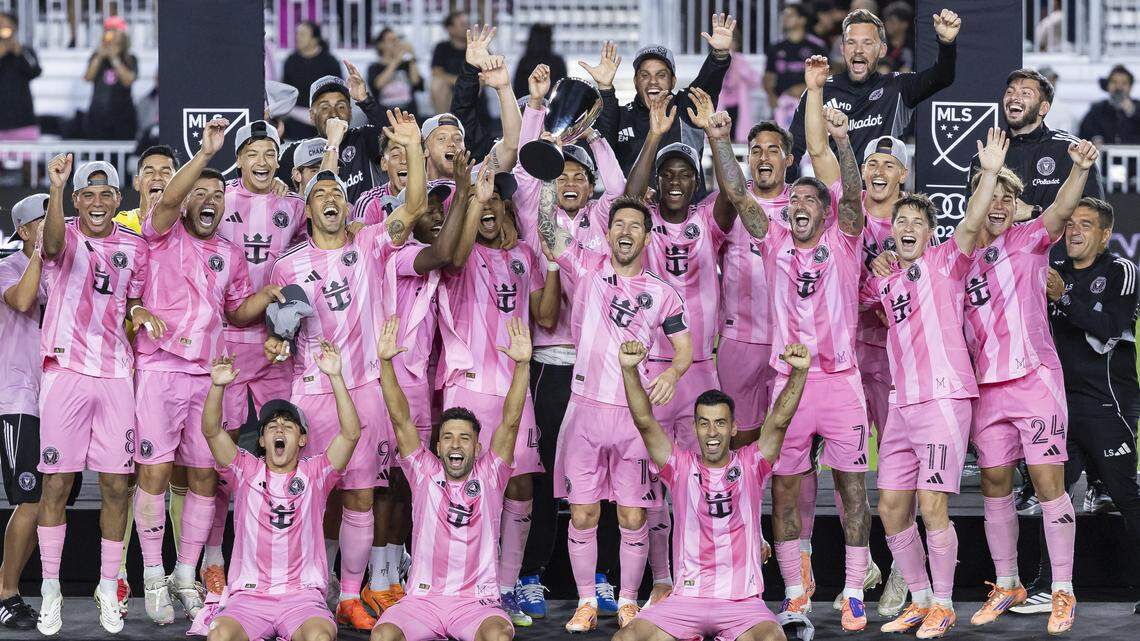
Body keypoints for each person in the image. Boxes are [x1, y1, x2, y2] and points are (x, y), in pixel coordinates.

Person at [266, 115, 423, 630]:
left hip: (366, 392)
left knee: (360, 496)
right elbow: (282, 329)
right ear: (308, 209)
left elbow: (416, 206)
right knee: (311, 495)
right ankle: (313, 585)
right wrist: (274, 339)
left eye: (337, 192)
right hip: (312, 391)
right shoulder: (288, 266)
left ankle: (350, 595)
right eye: (319, 194)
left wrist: (412, 146)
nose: (330, 199)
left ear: (346, 206)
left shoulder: (372, 246)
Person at [130, 117, 286, 624]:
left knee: (204, 477)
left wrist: (264, 297)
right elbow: (171, 200)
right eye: (201, 193)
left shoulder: (230, 254)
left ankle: (184, 573)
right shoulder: (159, 231)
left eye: (218, 195)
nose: (210, 201)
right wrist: (204, 155)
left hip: (208, 377)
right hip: (159, 370)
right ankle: (152, 576)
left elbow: (236, 313)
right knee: (154, 473)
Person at [861, 130, 1007, 637]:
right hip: (902, 403)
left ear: (929, 234)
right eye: (900, 220)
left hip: (944, 398)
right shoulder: (884, 279)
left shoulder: (946, 261)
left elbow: (970, 224)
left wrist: (988, 173)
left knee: (931, 505)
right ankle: (920, 599)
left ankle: (944, 603)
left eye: (916, 223)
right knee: (891, 507)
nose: (905, 227)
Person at [535, 192, 692, 631]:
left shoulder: (663, 295)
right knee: (584, 514)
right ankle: (586, 602)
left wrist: (673, 375)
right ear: (608, 233)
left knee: (632, 515)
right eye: (618, 224)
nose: (625, 231)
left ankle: (626, 601)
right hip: (584, 412)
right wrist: (548, 181)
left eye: (635, 226)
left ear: (647, 236)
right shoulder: (587, 268)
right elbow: (547, 231)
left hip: (633, 418)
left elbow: (684, 350)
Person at [962, 138, 1099, 636]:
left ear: (1015, 205)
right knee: (995, 485)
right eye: (987, 194)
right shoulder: (956, 258)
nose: (996, 205)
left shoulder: (1029, 238)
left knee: (1047, 486)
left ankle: (1061, 590)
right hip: (986, 389)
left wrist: (1079, 170)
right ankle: (1006, 583)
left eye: (1005, 197)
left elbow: (1062, 207)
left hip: (1035, 379)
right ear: (974, 201)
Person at [753, 82, 872, 632]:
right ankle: (796, 594)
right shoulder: (775, 241)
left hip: (840, 381)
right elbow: (736, 193)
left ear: (825, 213)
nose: (798, 206)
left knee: (851, 488)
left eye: (808, 201)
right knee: (784, 489)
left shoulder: (845, 241)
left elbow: (852, 197)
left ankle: (852, 591)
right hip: (788, 383)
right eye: (793, 201)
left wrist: (844, 143)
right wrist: (716, 144)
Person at [509, 63, 626, 619]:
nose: (573, 182)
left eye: (581, 176)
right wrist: (538, 112)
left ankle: (601, 575)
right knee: (546, 472)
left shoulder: (604, 217)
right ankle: (530, 572)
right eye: (566, 175)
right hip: (550, 366)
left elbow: (619, 187)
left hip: (600, 368)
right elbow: (530, 166)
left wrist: (594, 131)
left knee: (598, 478)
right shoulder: (536, 212)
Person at [613, 340, 810, 641]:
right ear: (695, 428)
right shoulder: (678, 466)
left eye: (720, 423)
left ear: (733, 428)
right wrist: (629, 370)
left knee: (772, 639)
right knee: (626, 638)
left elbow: (780, 421)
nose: (712, 432)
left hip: (741, 603)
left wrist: (798, 373)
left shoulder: (751, 464)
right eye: (704, 424)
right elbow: (644, 421)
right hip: (686, 601)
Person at [437, 162, 559, 626]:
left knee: (519, 483)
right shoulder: (461, 255)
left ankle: (504, 587)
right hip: (467, 389)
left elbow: (546, 318)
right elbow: (453, 255)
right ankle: (470, 583)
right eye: (479, 201)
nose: (489, 207)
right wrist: (472, 200)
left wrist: (552, 259)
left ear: (507, 207)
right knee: (464, 485)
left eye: (495, 200)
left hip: (514, 388)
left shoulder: (524, 254)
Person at [35, 156, 152, 636]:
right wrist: (57, 187)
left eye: (107, 194)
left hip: (116, 375)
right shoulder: (63, 232)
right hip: (65, 371)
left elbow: (137, 297)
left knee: (114, 487)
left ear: (118, 200)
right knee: (58, 485)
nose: (98, 202)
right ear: (77, 201)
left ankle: (108, 585)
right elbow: (52, 246)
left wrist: (141, 312)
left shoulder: (136, 247)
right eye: (89, 194)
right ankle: (49, 591)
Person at [1011, 198, 1140, 616]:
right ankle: (1051, 586)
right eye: (1069, 225)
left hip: (1107, 406)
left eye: (1086, 225)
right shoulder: (1054, 271)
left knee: (1127, 497)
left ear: (1105, 235)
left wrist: (1063, 297)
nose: (1074, 232)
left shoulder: (1120, 270)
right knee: (1055, 496)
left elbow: (1108, 328)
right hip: (1058, 408)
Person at [363, 153, 476, 615]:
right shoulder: (401, 254)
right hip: (386, 379)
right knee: (386, 483)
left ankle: (391, 572)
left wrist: (469, 199)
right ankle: (378, 575)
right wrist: (465, 192)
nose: (435, 215)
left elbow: (458, 253)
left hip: (418, 384)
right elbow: (447, 253)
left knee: (408, 482)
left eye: (441, 210)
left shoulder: (431, 259)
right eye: (429, 208)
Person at [371, 316, 532, 641]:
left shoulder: (491, 473)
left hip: (475, 604)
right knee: (384, 635)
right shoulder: (423, 471)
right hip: (423, 602)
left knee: (499, 636)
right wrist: (386, 364)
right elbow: (400, 417)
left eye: (464, 437)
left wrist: (522, 365)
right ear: (438, 445)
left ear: (478, 446)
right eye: (447, 437)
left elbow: (511, 420)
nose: (455, 444)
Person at [192, 341, 362, 641]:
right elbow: (212, 431)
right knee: (219, 636)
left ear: (302, 439)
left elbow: (351, 433)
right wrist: (217, 386)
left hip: (302, 597)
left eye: (288, 425)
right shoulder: (245, 471)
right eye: (271, 426)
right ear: (261, 441)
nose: (279, 429)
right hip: (249, 599)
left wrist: (336, 376)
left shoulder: (316, 473)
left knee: (320, 638)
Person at [0, 194, 81, 631]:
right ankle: (6, 593)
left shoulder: (69, 269)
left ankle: (34, 589)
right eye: (45, 221)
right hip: (21, 401)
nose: (56, 227)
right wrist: (37, 254)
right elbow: (23, 300)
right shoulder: (8, 266)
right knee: (30, 501)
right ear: (26, 230)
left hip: (61, 402)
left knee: (54, 498)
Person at [789, 8, 960, 167]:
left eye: (867, 43)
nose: (858, 50)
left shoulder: (898, 87)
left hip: (882, 194)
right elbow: (792, 151)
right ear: (842, 49)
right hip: (835, 196)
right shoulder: (820, 90)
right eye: (851, 43)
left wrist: (946, 43)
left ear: (882, 50)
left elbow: (942, 77)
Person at [593, 13, 736, 184]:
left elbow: (708, 83)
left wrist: (719, 55)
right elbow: (602, 143)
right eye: (645, 75)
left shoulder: (686, 108)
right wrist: (605, 89)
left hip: (687, 209)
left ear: (673, 81)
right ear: (635, 82)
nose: (653, 81)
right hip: (634, 209)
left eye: (661, 75)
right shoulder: (621, 116)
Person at [969, 68, 1103, 213]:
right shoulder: (986, 157)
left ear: (1043, 108)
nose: (1014, 97)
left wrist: (1034, 212)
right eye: (1010, 91)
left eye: (1025, 93)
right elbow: (971, 218)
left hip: (1054, 236)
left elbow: (1092, 214)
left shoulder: (1070, 152)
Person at [277, 67, 392, 204]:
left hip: (365, 223)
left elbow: (393, 136)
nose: (334, 113)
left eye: (341, 106)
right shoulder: (296, 151)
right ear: (312, 116)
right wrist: (276, 183)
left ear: (350, 113)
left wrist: (365, 101)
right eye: (325, 107)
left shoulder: (363, 137)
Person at [447, 27, 522, 169]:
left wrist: (503, 88)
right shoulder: (420, 184)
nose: (450, 143)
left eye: (456, 138)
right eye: (441, 139)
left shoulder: (475, 168)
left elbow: (512, 146)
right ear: (426, 151)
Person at [763, 4, 829, 129]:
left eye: (790, 15)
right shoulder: (776, 47)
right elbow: (768, 76)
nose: (785, 18)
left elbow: (829, 75)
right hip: (782, 106)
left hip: (809, 104)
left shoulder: (817, 46)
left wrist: (804, 88)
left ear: (802, 20)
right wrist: (772, 97)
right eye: (784, 15)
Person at [281, 20, 342, 139]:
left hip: (324, 116)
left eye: (302, 34)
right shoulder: (291, 61)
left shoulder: (330, 62)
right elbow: (286, 92)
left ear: (315, 39)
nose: (298, 37)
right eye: (297, 34)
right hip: (296, 118)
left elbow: (338, 92)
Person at [82, 19, 138, 140]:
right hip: (98, 119)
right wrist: (100, 56)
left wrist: (114, 58)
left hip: (122, 119)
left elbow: (128, 80)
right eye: (108, 30)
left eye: (114, 30)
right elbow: (88, 77)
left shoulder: (130, 58)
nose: (111, 33)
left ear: (122, 34)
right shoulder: (97, 56)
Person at [113, 144, 177, 234]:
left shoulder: (186, 226)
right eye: (149, 172)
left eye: (166, 172)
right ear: (136, 182)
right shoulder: (119, 225)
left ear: (177, 182)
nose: (157, 177)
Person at [0, 12, 41, 142]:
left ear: (15, 27)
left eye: (5, 24)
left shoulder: (25, 50)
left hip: (24, 121)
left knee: (29, 162)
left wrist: (20, 53)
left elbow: (35, 71)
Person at [718, 32, 763, 144]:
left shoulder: (740, 60)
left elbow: (756, 80)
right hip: (720, 104)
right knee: (719, 135)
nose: (728, 45)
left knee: (736, 132)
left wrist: (741, 68)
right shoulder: (714, 60)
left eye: (732, 41)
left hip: (738, 104)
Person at [1078, 64, 1140, 145]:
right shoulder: (1097, 109)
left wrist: (1133, 112)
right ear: (1108, 85)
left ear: (1130, 87)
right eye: (1114, 82)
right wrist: (1094, 138)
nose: (1119, 87)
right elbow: (1084, 132)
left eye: (1124, 83)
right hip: (1103, 157)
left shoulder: (1137, 108)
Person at [368, 28, 422, 119]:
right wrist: (396, 60)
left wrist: (412, 57)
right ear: (381, 45)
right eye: (391, 40)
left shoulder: (406, 65)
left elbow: (416, 82)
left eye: (397, 40)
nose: (396, 43)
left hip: (408, 113)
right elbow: (378, 85)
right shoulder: (374, 67)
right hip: (385, 115)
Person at [511, 24, 566, 101]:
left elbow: (517, 90)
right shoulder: (557, 61)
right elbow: (563, 89)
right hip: (552, 108)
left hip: (526, 107)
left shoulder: (524, 61)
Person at [430, 10, 470, 114]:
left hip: (471, 88)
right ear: (450, 29)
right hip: (450, 89)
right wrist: (459, 82)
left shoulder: (476, 47)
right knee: (437, 84)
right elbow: (436, 72)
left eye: (467, 24)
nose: (467, 27)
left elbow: (486, 73)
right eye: (462, 24)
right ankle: (445, 124)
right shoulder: (442, 47)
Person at [879, 2, 915, 74]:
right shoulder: (881, 43)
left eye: (892, 22)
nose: (888, 24)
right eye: (887, 21)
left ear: (904, 24)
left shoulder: (914, 44)